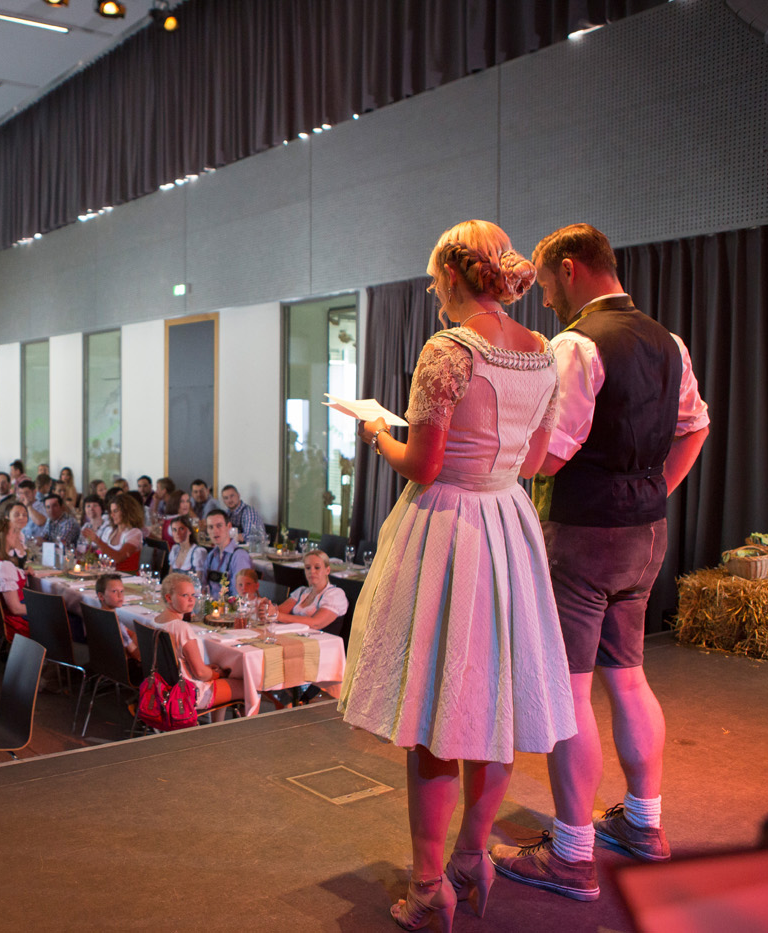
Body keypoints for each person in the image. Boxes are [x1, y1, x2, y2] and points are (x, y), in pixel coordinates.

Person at [338, 220, 574, 927]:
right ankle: (474, 852)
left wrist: (381, 436)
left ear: (451, 275)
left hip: (448, 530)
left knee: (440, 716)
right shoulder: (539, 351)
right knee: (493, 705)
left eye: (435, 277)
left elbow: (426, 463)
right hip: (510, 526)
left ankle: (430, 884)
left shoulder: (448, 350)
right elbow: (533, 461)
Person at [490, 224, 710, 899]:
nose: (547, 297)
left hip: (584, 535)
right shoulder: (668, 341)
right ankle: (643, 823)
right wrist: (650, 492)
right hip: (646, 534)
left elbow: (555, 451)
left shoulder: (576, 343)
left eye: (549, 282)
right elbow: (695, 425)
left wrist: (503, 465)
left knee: (572, 690)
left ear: (570, 267)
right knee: (630, 675)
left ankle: (572, 852)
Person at [153, 573, 242, 710]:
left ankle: (216, 727)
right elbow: (200, 673)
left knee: (218, 677)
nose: (191, 600)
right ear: (169, 598)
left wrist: (209, 669)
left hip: (163, 689)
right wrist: (219, 674)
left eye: (193, 595)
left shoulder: (156, 621)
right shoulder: (181, 628)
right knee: (247, 687)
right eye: (185, 596)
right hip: (188, 693)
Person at [270, 550, 347, 630]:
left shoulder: (335, 594)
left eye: (317, 568)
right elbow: (280, 611)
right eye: (308, 568)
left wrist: (276, 615)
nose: (312, 571)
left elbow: (316, 624)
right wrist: (266, 609)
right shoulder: (302, 591)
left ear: (327, 570)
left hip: (320, 640)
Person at [0, 517, 29, 640]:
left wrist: (22, 573)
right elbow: (16, 608)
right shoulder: (4, 567)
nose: (18, 535)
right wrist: (41, 609)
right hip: (17, 626)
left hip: (9, 622)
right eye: (14, 532)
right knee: (63, 616)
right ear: (2, 538)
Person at [81, 493, 143, 573]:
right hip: (108, 574)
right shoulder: (109, 531)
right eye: (111, 511)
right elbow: (99, 553)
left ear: (126, 511)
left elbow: (118, 558)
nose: (112, 515)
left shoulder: (134, 533)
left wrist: (97, 540)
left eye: (115, 511)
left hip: (127, 576)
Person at [200, 512, 252, 598]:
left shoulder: (239, 556)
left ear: (229, 527)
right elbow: (204, 588)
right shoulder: (211, 556)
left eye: (219, 525)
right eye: (210, 527)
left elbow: (239, 595)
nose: (215, 531)